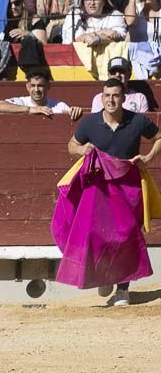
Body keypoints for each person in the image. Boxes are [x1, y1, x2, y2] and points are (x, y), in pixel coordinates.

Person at [67, 77, 161, 305]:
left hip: (129, 186)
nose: (111, 100)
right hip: (100, 188)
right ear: (102, 97)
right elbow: (71, 145)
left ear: (123, 98)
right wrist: (82, 149)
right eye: (107, 95)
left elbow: (159, 137)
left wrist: (148, 158)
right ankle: (104, 276)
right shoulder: (90, 123)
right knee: (98, 234)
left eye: (115, 95)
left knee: (127, 236)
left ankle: (122, 289)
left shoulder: (137, 121)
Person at [0, 68, 83, 119]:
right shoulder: (21, 102)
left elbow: (70, 113)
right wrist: (30, 109)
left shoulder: (59, 105)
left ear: (48, 86)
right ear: (27, 87)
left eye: (40, 86)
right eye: (33, 85)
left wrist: (75, 111)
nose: (36, 90)